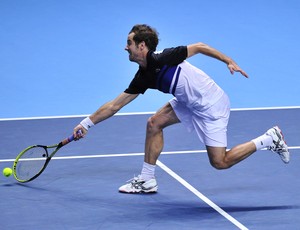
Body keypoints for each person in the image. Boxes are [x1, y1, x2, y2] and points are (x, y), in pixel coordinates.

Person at [73, 24, 290, 193]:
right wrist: (86, 124)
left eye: (128, 42)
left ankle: (270, 139)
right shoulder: (143, 76)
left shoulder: (165, 57)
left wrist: (228, 60)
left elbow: (199, 47)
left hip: (211, 106)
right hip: (187, 102)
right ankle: (147, 179)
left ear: (142, 46)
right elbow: (114, 106)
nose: (125, 47)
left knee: (220, 162)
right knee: (154, 123)